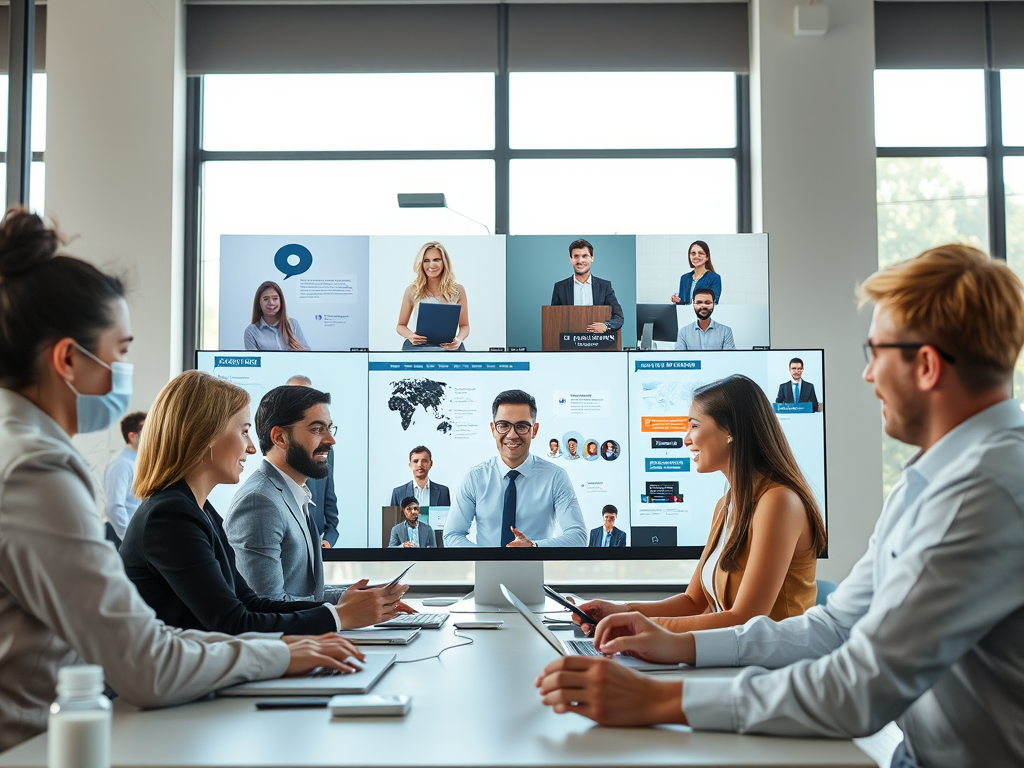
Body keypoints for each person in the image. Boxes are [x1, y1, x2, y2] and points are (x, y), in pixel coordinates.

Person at [536, 245, 1024, 768]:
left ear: (926, 365)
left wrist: (658, 699)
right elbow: (834, 628)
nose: (866, 375)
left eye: (875, 353)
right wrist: (677, 646)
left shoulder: (982, 492)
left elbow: (860, 689)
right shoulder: (930, 480)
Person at [0, 208, 359, 754]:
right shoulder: (38, 469)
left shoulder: (20, 448)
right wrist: (286, 651)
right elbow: (144, 661)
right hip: (33, 744)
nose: (125, 373)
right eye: (120, 352)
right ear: (69, 359)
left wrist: (303, 633)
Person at [120, 371, 401, 634]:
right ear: (204, 435)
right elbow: (233, 622)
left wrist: (347, 606)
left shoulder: (200, 510)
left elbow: (252, 603)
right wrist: (340, 616)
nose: (252, 447)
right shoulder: (171, 515)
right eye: (243, 431)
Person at [574, 374, 825, 634]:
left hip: (775, 666)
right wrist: (619, 610)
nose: (686, 439)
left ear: (730, 431)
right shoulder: (726, 505)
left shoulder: (779, 502)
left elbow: (746, 619)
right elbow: (693, 601)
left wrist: (638, 627)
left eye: (694, 425)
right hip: (733, 658)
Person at [226, 385, 412, 622]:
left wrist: (362, 597)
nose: (331, 440)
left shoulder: (293, 493)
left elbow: (304, 595)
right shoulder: (259, 502)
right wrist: (346, 612)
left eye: (330, 428)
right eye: (317, 429)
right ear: (280, 437)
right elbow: (267, 606)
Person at [443, 390, 586, 548]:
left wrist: (533, 548)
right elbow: (452, 535)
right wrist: (490, 558)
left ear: (534, 430)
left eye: (522, 426)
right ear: (493, 429)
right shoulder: (475, 477)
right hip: (486, 571)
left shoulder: (555, 477)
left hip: (535, 569)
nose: (512, 435)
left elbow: (577, 536)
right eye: (503, 425)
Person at [287, 375, 338, 547]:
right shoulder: (278, 447)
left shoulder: (326, 448)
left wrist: (328, 540)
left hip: (316, 549)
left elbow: (330, 504)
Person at [396, 241, 469, 351]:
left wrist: (458, 339)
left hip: (449, 348)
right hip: (419, 347)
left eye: (436, 260)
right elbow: (400, 326)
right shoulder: (412, 291)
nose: (431, 265)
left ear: (444, 262)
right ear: (421, 263)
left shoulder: (458, 290)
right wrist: (411, 336)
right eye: (426, 260)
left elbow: (464, 326)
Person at [550, 238, 624, 334]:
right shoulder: (560, 287)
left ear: (592, 258)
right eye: (576, 256)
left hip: (598, 342)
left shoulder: (604, 286)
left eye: (585, 256)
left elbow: (618, 317)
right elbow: (553, 319)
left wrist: (606, 326)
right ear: (571, 259)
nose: (580, 260)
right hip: (569, 343)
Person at [102, 410, 146, 547]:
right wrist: (130, 539)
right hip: (120, 536)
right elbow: (114, 506)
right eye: (148, 432)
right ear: (133, 437)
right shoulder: (121, 464)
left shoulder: (137, 462)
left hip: (131, 536)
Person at [243, 280, 310, 351]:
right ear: (259, 303)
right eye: (265, 299)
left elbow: (308, 355)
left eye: (275, 298)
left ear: (281, 301)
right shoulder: (251, 332)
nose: (271, 303)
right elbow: (255, 361)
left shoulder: (293, 324)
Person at [670, 240, 722, 305]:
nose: (696, 256)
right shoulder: (684, 278)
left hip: (704, 314)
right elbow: (683, 303)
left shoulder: (714, 278)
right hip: (686, 314)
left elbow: (714, 302)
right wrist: (678, 301)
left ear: (707, 257)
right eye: (693, 253)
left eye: (701, 253)